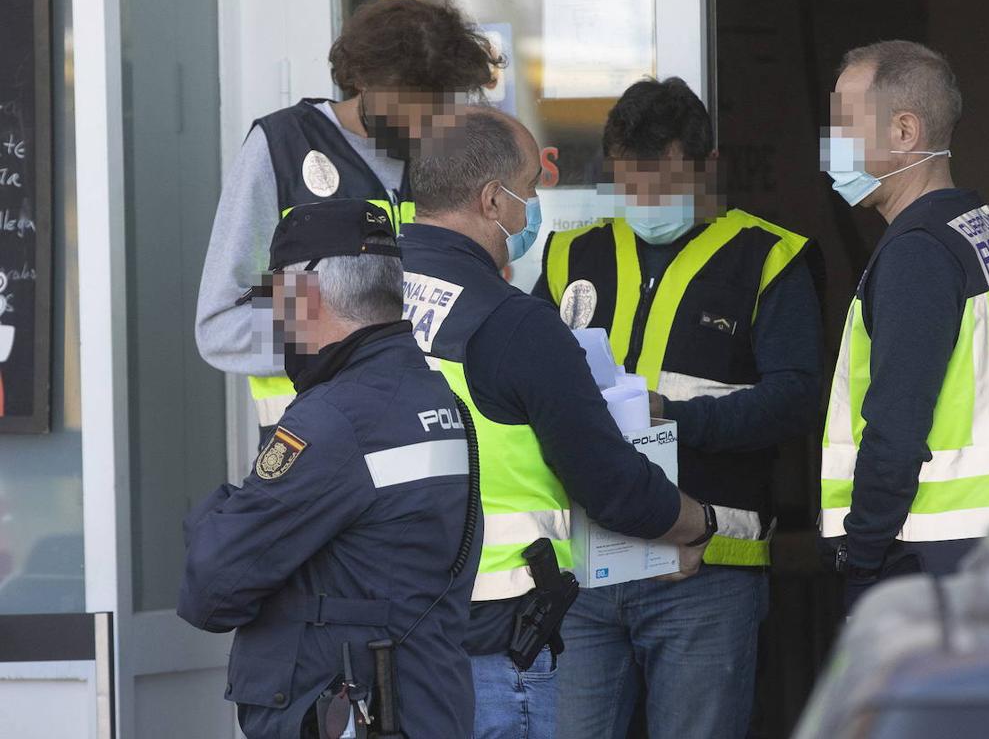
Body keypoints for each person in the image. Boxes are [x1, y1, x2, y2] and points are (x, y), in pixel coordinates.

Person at [398, 106, 717, 739]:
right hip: (492, 641)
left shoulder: (362, 290)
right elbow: (610, 481)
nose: (531, 211)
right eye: (530, 190)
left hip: (388, 638)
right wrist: (694, 522)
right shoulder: (514, 323)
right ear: (493, 200)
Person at [533, 77, 823, 739]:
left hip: (708, 563)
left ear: (706, 168)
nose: (644, 199)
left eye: (661, 184)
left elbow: (796, 401)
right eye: (628, 182)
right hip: (588, 561)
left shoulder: (769, 258)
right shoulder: (571, 253)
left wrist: (674, 416)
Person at [178, 199, 482, 739]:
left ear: (307, 296)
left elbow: (214, 587)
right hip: (423, 703)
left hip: (353, 710)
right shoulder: (435, 398)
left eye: (274, 301)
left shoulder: (336, 419)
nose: (273, 321)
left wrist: (216, 512)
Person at [195, 0, 501, 443]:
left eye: (436, 107)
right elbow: (222, 323)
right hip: (316, 454)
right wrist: (350, 335)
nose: (422, 125)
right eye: (408, 104)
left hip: (434, 452)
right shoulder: (283, 148)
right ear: (361, 79)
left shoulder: (445, 158)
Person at [818, 40, 989, 611]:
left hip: (924, 553)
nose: (831, 145)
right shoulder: (975, 225)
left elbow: (897, 421)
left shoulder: (918, 251)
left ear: (904, 132)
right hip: (979, 544)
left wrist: (862, 551)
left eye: (843, 124)